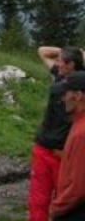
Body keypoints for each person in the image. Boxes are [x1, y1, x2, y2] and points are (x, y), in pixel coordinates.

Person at [30, 46, 84, 221]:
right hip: (44, 146)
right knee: (38, 199)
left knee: (64, 197)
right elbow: (42, 51)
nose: (57, 62)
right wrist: (74, 51)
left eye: (61, 60)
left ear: (72, 65)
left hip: (64, 153)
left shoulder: (81, 85)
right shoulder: (59, 75)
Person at [51, 71, 85, 220]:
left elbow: (78, 187)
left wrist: (55, 208)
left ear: (77, 96)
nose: (63, 98)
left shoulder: (81, 133)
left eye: (66, 93)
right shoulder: (77, 122)